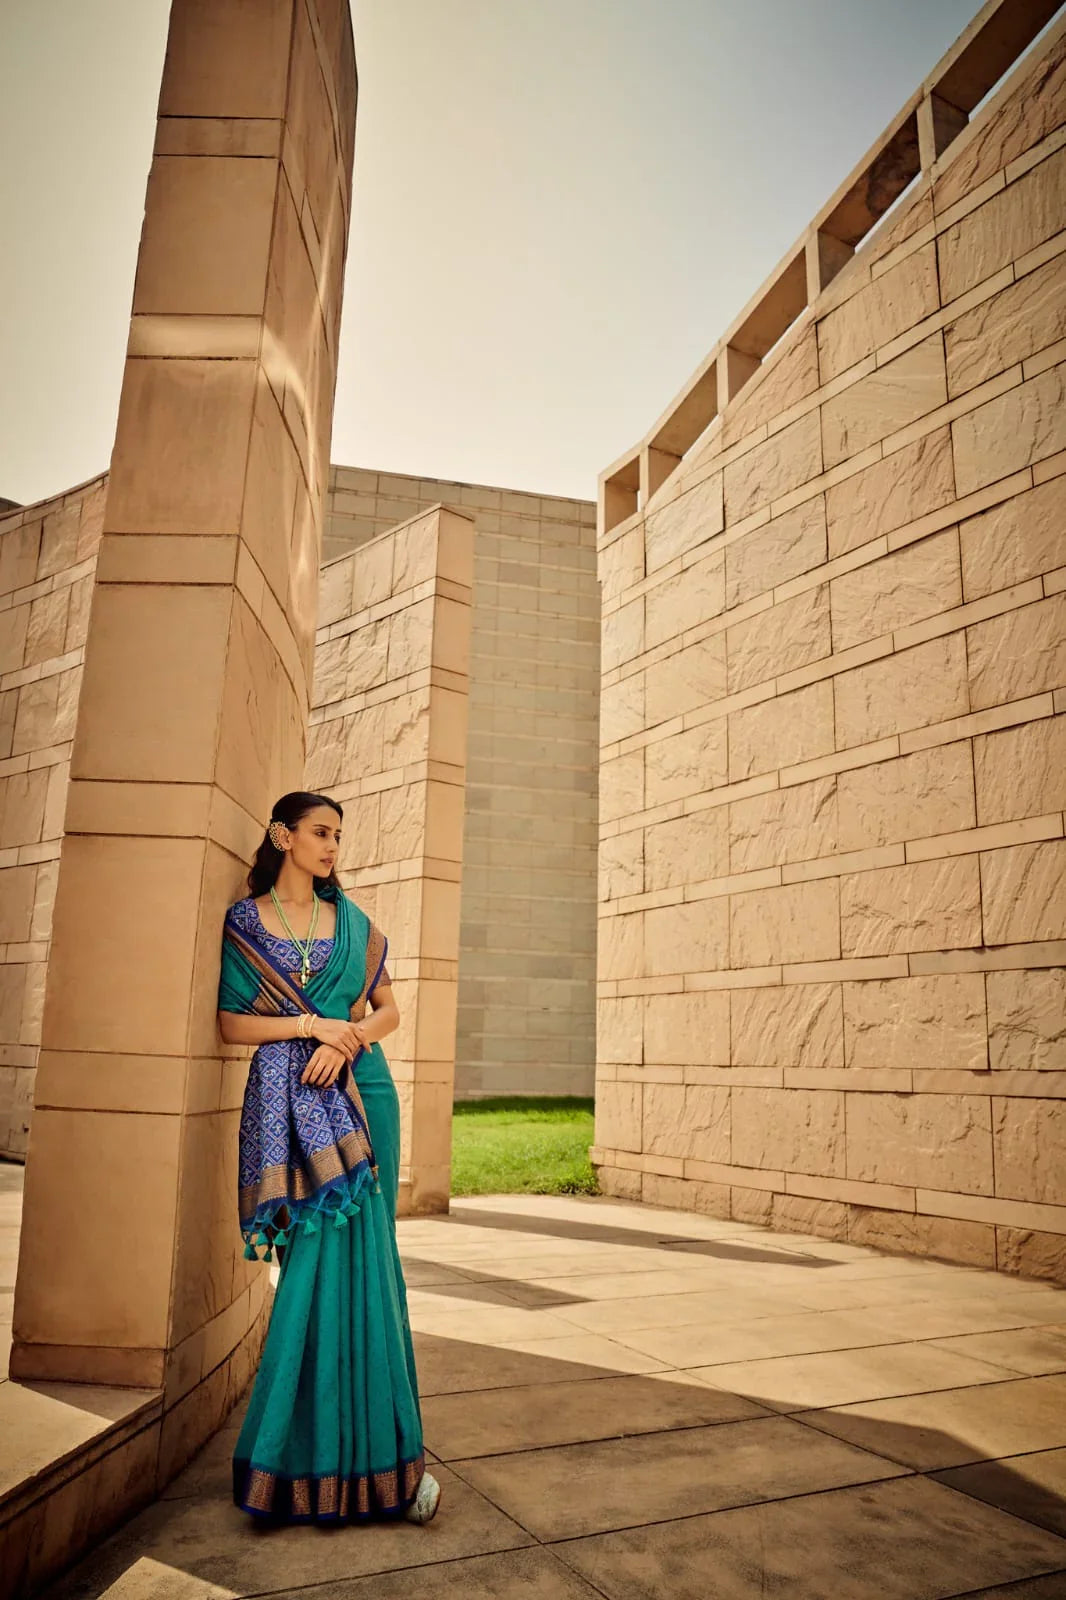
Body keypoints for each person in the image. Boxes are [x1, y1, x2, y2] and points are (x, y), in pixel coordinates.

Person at [217, 790, 441, 1525]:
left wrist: (348, 1039)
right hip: (292, 1103)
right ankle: (292, 1463)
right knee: (312, 1271)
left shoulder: (354, 924)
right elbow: (229, 1022)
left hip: (362, 1098)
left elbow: (388, 1010)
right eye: (320, 833)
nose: (332, 846)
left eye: (338, 836)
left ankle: (385, 1462)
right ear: (283, 835)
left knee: (372, 1270)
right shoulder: (246, 923)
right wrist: (312, 1026)